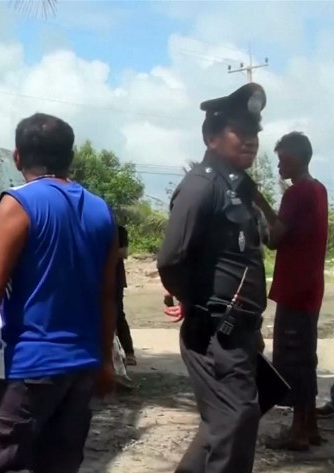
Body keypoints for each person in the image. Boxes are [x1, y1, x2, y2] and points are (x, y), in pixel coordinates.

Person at [0, 113, 118, 473]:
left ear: (17, 157)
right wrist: (106, 360)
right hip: (81, 366)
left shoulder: (19, 204)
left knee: (1, 458)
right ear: (70, 156)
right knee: (60, 463)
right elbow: (108, 294)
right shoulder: (101, 210)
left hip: (30, 364)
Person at [158, 83, 267, 473]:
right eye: (241, 132)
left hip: (237, 331)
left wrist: (250, 326)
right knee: (237, 421)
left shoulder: (238, 186)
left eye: (254, 133)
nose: (251, 141)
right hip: (214, 334)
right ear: (212, 137)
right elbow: (171, 259)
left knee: (222, 424)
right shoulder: (202, 186)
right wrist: (200, 303)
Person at [253, 132, 328, 450]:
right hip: (310, 287)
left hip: (294, 289)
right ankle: (308, 427)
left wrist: (259, 202)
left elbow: (275, 238)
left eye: (282, 158)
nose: (279, 164)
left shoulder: (297, 193)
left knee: (293, 360)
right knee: (305, 359)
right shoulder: (319, 189)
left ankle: (297, 433)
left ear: (296, 158)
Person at [116, 224, 136, 366]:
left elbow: (124, 253)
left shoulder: (118, 230)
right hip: (94, 278)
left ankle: (129, 352)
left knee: (117, 314)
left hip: (115, 279)